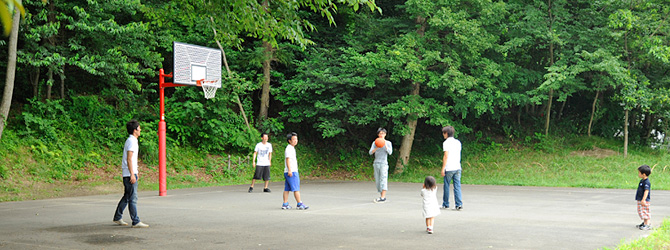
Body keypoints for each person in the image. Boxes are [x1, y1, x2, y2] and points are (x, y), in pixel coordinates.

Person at [113, 120, 149, 228]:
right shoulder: (132, 141)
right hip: (129, 174)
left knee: (127, 196)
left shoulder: (132, 140)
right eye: (139, 128)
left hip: (129, 172)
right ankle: (136, 221)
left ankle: (117, 217)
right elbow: (129, 159)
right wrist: (132, 174)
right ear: (135, 130)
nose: (140, 130)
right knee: (133, 198)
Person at [282, 132, 309, 210]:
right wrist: (290, 170)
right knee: (296, 188)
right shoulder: (289, 148)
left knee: (287, 188)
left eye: (296, 139)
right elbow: (287, 160)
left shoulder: (291, 148)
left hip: (289, 171)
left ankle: (285, 203)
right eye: (294, 139)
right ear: (289, 140)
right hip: (291, 171)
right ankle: (299, 203)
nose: (296, 140)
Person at [440, 126, 462, 210]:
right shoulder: (458, 142)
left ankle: (446, 203)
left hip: (449, 167)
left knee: (446, 185)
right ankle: (458, 204)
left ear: (446, 133)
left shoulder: (446, 143)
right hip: (457, 167)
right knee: (457, 186)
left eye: (443, 133)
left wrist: (443, 168)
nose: (443, 135)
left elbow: (446, 156)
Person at [369, 128, 392, 203]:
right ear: (378, 134)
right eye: (380, 133)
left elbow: (390, 152)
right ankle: (381, 195)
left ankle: (383, 197)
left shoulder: (388, 143)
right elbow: (370, 152)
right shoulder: (375, 142)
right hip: (376, 163)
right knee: (378, 180)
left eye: (383, 133)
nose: (381, 135)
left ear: (385, 134)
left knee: (383, 179)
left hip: (384, 163)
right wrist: (376, 147)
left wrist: (384, 145)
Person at [635, 165, 652, 230]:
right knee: (641, 211)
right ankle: (644, 223)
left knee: (645, 211)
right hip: (640, 199)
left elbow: (646, 191)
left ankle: (647, 224)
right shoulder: (642, 181)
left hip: (644, 200)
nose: (638, 174)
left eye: (639, 173)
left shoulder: (647, 182)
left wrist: (643, 199)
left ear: (644, 174)